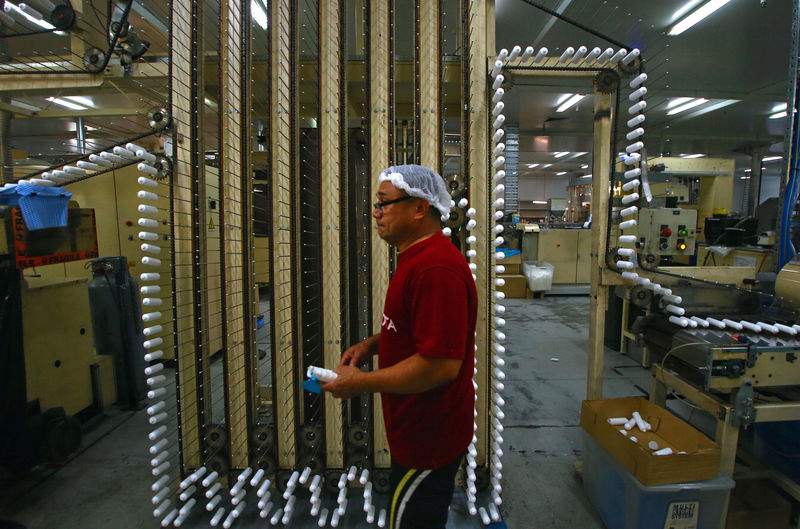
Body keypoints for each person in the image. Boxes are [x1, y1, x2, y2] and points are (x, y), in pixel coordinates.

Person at [321, 164, 478, 529]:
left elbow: (440, 366)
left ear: (420, 208)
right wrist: (372, 345)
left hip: (429, 436)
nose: (376, 213)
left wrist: (359, 382)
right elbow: (414, 330)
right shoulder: (415, 258)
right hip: (415, 428)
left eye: (384, 203)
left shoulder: (435, 270)